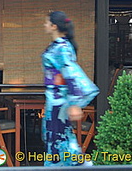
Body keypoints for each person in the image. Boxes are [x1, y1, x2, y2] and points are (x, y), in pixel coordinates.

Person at [41, 11, 99, 167]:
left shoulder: (61, 48)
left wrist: (74, 103)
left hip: (59, 101)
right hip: (55, 100)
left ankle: (81, 165)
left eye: (47, 22)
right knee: (57, 138)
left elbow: (71, 73)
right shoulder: (60, 46)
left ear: (54, 26)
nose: (44, 25)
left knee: (59, 139)